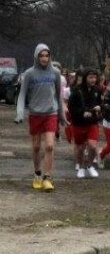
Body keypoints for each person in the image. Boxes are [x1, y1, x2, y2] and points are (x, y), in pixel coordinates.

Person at [15, 44, 66, 191]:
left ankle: (47, 178)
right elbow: (22, 94)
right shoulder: (29, 74)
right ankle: (37, 174)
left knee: (50, 145)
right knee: (37, 147)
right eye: (41, 55)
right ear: (36, 56)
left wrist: (62, 115)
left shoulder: (55, 73)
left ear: (50, 56)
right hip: (35, 114)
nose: (44, 58)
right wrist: (19, 113)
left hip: (51, 113)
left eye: (47, 55)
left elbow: (59, 95)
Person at [67, 68, 102, 179]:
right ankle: (81, 167)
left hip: (92, 123)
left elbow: (102, 104)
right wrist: (82, 113)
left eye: (95, 77)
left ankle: (90, 165)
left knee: (92, 146)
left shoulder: (97, 90)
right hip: (79, 123)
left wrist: (99, 107)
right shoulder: (77, 90)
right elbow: (71, 108)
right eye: (91, 77)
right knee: (80, 148)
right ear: (85, 78)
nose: (93, 79)